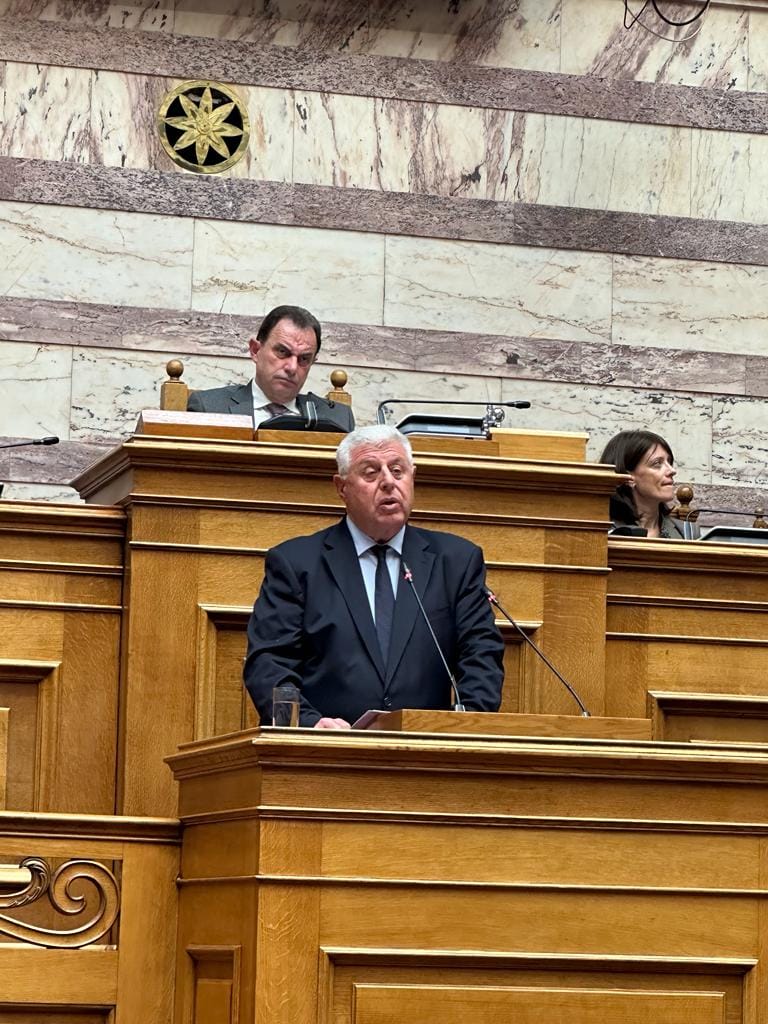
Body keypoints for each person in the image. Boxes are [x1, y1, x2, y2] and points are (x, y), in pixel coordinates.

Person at [244, 424, 505, 728]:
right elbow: (270, 664)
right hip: (327, 748)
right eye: (371, 473)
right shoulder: (296, 563)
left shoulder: (456, 561)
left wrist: (460, 728)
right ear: (342, 487)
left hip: (427, 748)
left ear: (413, 477)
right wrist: (310, 725)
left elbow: (482, 658)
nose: (388, 482)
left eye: (398, 471)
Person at [187, 304, 354, 431]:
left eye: (304, 359)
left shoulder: (337, 418)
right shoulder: (209, 408)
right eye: (282, 352)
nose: (292, 368)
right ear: (255, 350)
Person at [600, 429, 697, 539]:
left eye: (669, 462)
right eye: (657, 463)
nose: (672, 470)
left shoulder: (688, 533)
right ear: (628, 477)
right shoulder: (602, 531)